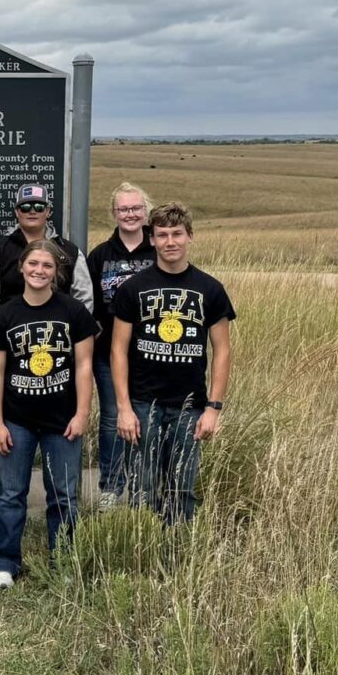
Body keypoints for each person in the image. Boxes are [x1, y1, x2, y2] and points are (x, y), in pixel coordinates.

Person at [109, 203, 235, 525]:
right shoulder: (133, 289)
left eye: (177, 234)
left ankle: (178, 556)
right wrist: (123, 408)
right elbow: (118, 351)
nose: (170, 242)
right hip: (142, 405)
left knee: (182, 489)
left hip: (189, 406)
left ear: (190, 236)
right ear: (151, 239)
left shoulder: (211, 289)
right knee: (143, 488)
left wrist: (213, 408)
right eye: (162, 235)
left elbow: (222, 350)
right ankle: (143, 555)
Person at [0, 240, 98, 589]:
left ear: (56, 272)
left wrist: (82, 413)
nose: (39, 271)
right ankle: (4, 561)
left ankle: (63, 559)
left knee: (63, 495)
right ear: (22, 267)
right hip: (17, 419)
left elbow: (83, 366)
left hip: (61, 421)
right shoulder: (6, 315)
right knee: (10, 493)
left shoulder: (74, 312)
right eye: (33, 264)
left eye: (47, 266)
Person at [84, 182, 156, 510]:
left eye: (136, 208)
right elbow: (90, 304)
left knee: (147, 416)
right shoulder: (100, 254)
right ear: (114, 213)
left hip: (151, 352)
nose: (130, 214)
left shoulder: (157, 250)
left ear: (146, 212)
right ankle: (111, 488)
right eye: (124, 209)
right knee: (114, 417)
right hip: (108, 353)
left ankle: (143, 486)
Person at [0, 184, 93, 314]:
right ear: (17, 212)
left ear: (48, 211)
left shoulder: (70, 252)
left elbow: (84, 298)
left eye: (39, 207)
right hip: (11, 329)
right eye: (25, 207)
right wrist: (3, 327)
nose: (32, 211)